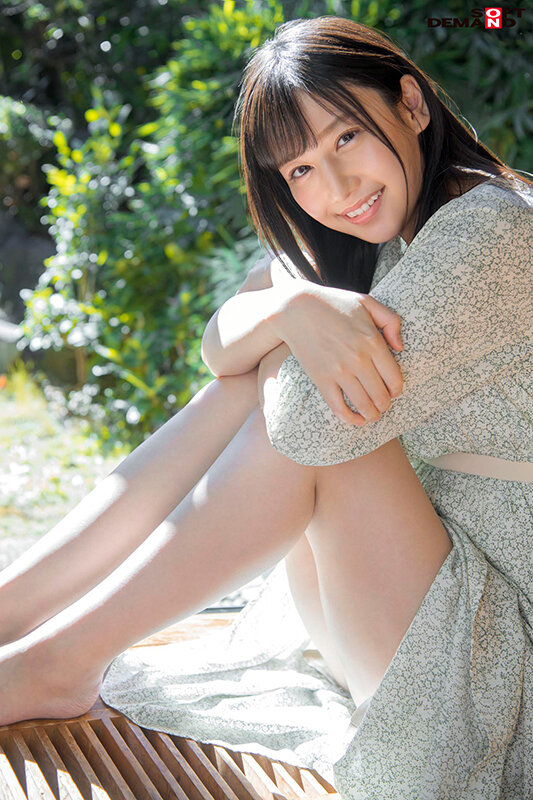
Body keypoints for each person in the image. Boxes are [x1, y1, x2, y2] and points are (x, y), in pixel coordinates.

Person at [1, 15, 531, 798]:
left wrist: (289, 323)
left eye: (346, 137)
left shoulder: (491, 230)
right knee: (269, 373)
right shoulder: (389, 233)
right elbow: (222, 352)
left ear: (411, 105)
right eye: (301, 169)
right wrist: (289, 307)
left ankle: (56, 661)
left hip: (504, 675)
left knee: (316, 406)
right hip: (412, 616)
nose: (336, 187)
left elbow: (306, 427)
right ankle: (14, 614)